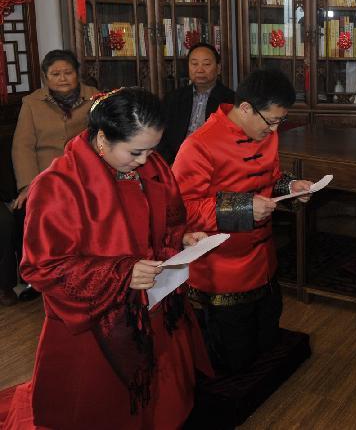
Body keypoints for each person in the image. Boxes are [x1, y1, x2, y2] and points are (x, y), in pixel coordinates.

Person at [0, 88, 212, 430]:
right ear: (102, 139)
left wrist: (182, 238)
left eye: (152, 150)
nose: (145, 161)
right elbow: (42, 267)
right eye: (135, 152)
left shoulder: (152, 165)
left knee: (161, 401)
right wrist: (122, 273)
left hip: (152, 303)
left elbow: (170, 220)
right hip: (96, 324)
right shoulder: (58, 185)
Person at [173, 69, 312, 374]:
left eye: (280, 121)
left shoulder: (264, 133)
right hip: (222, 265)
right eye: (272, 121)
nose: (275, 130)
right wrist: (245, 208)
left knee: (266, 336)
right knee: (231, 357)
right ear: (246, 107)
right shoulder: (198, 145)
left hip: (263, 258)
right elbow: (183, 209)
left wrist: (290, 187)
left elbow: (269, 179)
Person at [3, 50, 97, 306]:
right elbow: (22, 146)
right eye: (55, 74)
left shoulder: (95, 98)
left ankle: (85, 271)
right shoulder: (32, 103)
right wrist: (28, 186)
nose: (63, 78)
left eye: (68, 73)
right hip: (45, 177)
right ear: (45, 78)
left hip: (84, 174)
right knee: (27, 211)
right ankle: (36, 277)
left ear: (78, 74)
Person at [156, 42, 234, 163]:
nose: (200, 69)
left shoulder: (230, 100)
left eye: (206, 64)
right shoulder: (173, 98)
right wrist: (171, 164)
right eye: (194, 64)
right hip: (176, 163)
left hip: (213, 164)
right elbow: (160, 135)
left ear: (218, 68)